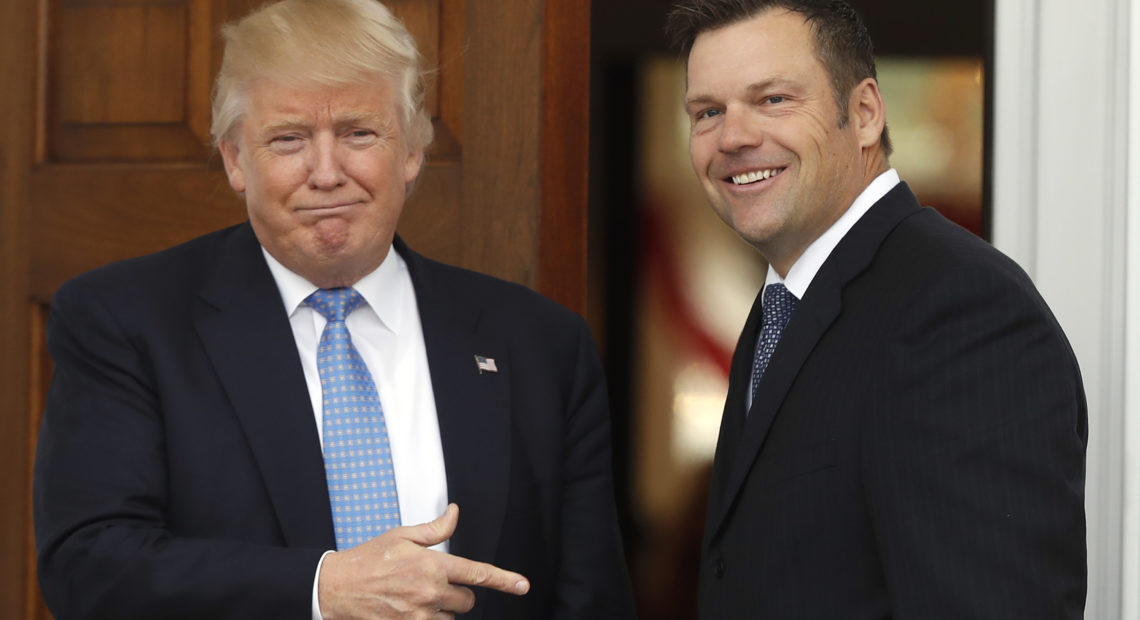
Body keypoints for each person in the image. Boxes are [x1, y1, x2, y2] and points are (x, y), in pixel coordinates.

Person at [33, 1, 635, 618]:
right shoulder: (126, 321)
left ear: (412, 152)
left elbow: (591, 598)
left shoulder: (539, 344)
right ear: (237, 159)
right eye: (289, 139)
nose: (326, 173)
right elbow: (89, 565)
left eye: (358, 133)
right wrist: (321, 589)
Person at [665, 1, 1087, 618]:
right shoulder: (784, 308)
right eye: (708, 112)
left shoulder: (961, 311)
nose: (733, 137)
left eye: (774, 99)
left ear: (863, 114)